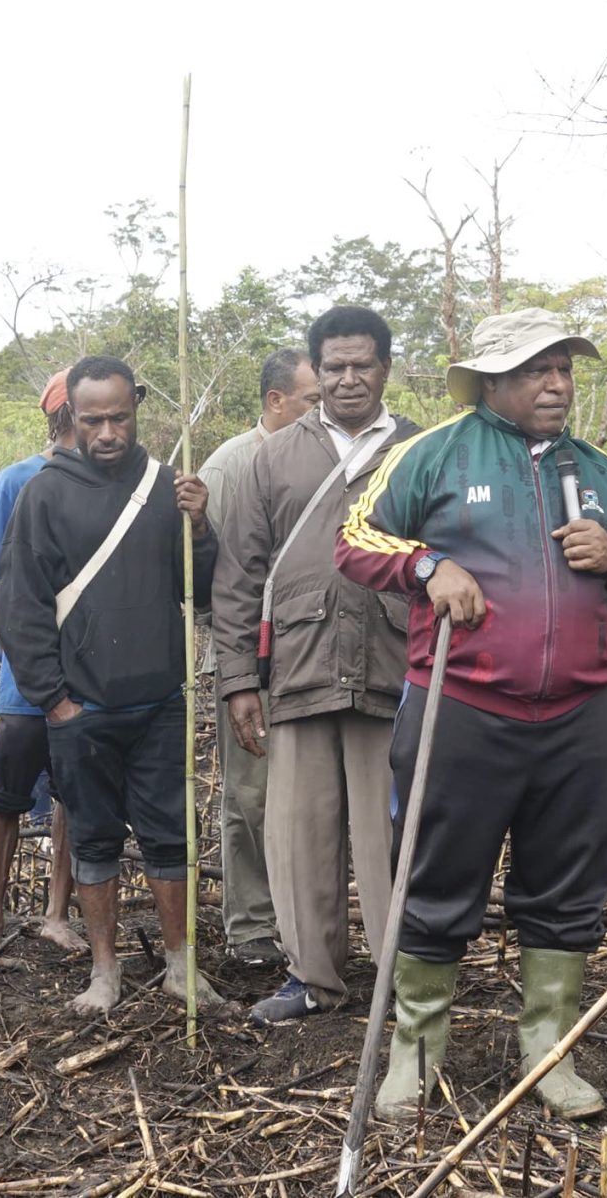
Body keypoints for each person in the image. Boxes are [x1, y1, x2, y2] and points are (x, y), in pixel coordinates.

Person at [338, 308, 607, 1120]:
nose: (556, 385)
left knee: (567, 884)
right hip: (462, 705)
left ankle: (549, 1054)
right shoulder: (433, 452)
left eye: (563, 369)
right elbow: (352, 539)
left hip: (578, 714)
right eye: (535, 371)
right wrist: (429, 564)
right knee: (437, 874)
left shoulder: (598, 469)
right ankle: (414, 1056)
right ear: (491, 381)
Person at [0, 355, 222, 1015]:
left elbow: (200, 589)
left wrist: (200, 527)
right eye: (92, 420)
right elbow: (21, 605)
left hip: (158, 703)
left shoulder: (166, 487)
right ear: (72, 417)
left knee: (170, 835)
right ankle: (104, 971)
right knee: (92, 837)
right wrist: (55, 701)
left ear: (136, 408)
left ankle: (182, 968)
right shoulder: (44, 492)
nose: (107, 432)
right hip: (81, 707)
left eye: (119, 417)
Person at [216, 310, 418, 1024]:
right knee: (300, 833)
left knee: (392, 835)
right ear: (316, 372)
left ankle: (405, 978)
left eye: (362, 364)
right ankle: (314, 977)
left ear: (386, 368)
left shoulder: (420, 450)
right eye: (333, 366)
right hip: (297, 667)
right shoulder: (273, 457)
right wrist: (240, 677)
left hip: (394, 669)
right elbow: (240, 572)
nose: (348, 378)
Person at [197, 345, 321, 970]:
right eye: (311, 399)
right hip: (252, 658)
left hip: (315, 655)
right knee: (252, 793)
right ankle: (250, 928)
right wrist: (237, 670)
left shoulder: (332, 454)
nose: (322, 409)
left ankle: (304, 922)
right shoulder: (231, 465)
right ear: (277, 402)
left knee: (308, 795)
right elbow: (219, 582)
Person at [0, 371, 80, 960]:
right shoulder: (15, 480)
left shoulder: (115, 481)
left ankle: (56, 915)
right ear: (63, 416)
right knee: (7, 793)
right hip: (25, 679)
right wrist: (15, 652)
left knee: (71, 796)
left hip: (87, 672)